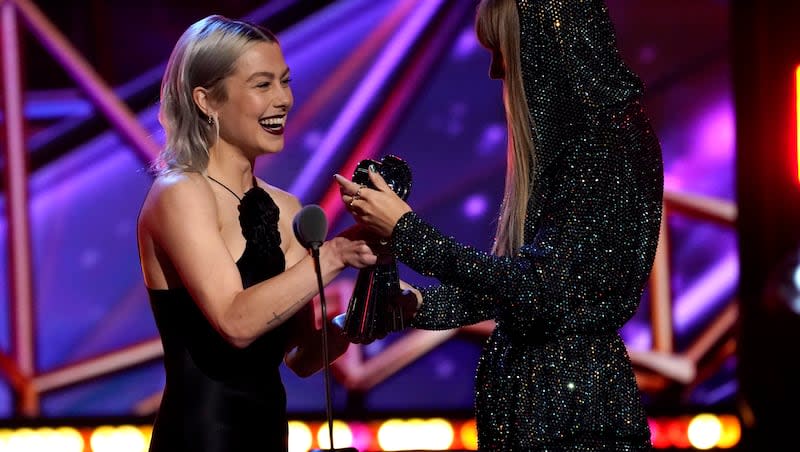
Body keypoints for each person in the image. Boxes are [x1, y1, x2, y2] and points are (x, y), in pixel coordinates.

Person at [335, 0, 662, 449]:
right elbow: (524, 289)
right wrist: (418, 305)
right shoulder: (581, 143)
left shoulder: (604, 146)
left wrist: (408, 231)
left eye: (502, 49)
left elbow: (541, 290)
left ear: (543, 47)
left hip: (572, 422)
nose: (494, 71)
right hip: (542, 415)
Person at [136, 15, 377, 452]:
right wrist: (336, 253)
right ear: (207, 100)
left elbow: (303, 357)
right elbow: (236, 322)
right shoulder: (180, 193)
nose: (284, 99)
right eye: (262, 85)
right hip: (200, 439)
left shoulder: (286, 208)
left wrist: (360, 318)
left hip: (269, 437)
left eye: (285, 82)